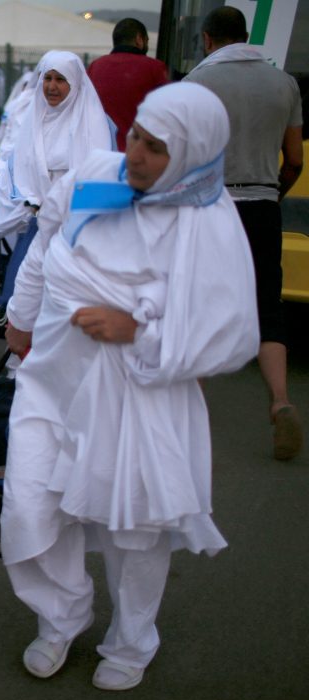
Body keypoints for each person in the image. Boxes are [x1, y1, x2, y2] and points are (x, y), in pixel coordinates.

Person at [1, 83, 259, 691]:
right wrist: (21, 315)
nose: (135, 155)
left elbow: (229, 333)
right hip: (52, 381)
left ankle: (132, 641)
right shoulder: (95, 173)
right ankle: (61, 616)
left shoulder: (206, 224)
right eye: (136, 135)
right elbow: (46, 243)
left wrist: (137, 331)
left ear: (192, 154)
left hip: (139, 399)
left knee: (133, 529)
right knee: (29, 505)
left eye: (156, 148)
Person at [185, 5, 304, 461]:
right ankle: (281, 401)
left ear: (207, 39)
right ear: (246, 35)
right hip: (262, 205)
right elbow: (294, 160)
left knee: (201, 307)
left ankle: (192, 416)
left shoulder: (197, 83)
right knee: (268, 307)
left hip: (212, 207)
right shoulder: (284, 83)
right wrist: (273, 193)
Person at [0, 51, 114, 253]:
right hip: (32, 225)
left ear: (75, 83)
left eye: (60, 79)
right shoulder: (35, 119)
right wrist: (29, 200)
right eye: (47, 78)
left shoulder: (91, 124)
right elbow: (17, 169)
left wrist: (55, 205)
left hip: (72, 232)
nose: (51, 86)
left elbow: (96, 178)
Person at [87, 18, 168, 152]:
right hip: (137, 153)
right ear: (139, 39)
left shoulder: (94, 67)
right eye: (147, 41)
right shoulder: (155, 68)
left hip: (101, 152)